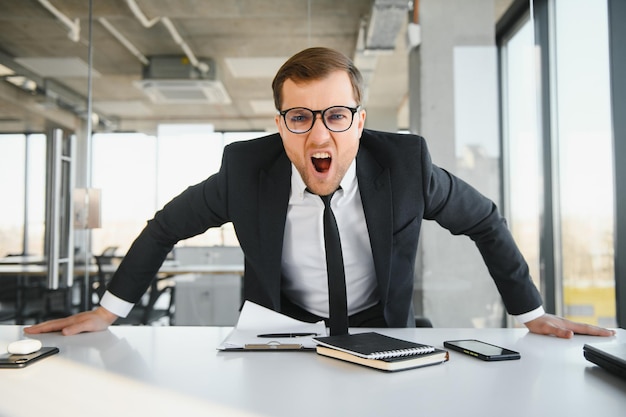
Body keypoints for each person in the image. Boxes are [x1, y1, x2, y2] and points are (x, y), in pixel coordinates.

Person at [26, 47, 614, 339]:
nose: (319, 134)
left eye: (336, 115)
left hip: (378, 330)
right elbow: (164, 226)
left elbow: (484, 220)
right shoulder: (243, 170)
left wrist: (530, 313)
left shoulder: (407, 165)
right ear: (280, 125)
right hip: (281, 332)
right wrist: (110, 310)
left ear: (359, 122)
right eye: (300, 118)